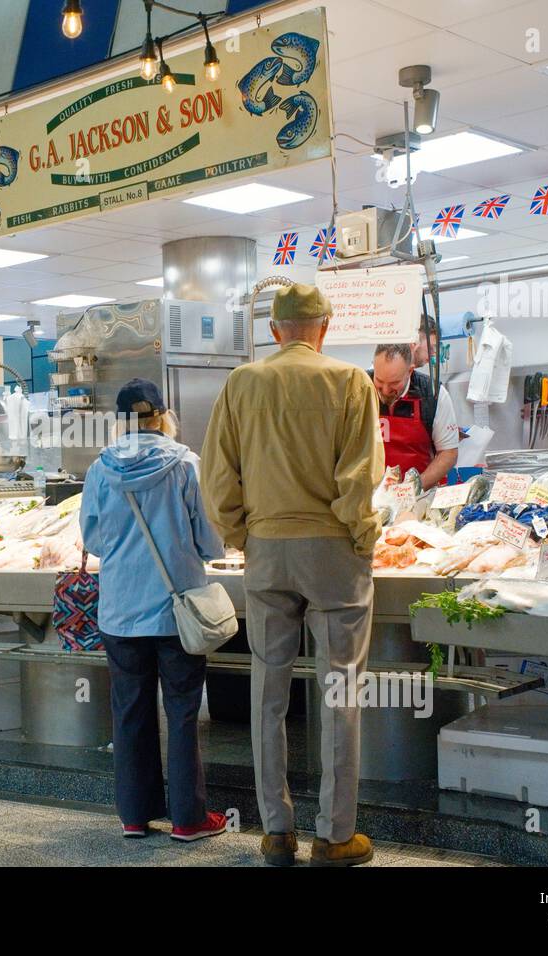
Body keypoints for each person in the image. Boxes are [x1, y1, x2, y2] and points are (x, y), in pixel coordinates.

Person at [201, 284, 383, 868]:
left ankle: (276, 831)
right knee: (339, 692)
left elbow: (217, 479)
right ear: (324, 326)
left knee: (267, 692)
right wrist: (360, 535)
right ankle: (335, 835)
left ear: (275, 330)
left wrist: (242, 535)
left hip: (267, 550)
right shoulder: (351, 381)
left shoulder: (241, 383)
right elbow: (360, 476)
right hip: (332, 552)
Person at [80, 378, 228, 843]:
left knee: (129, 712)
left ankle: (134, 815)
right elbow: (210, 540)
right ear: (164, 416)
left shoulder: (99, 470)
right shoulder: (186, 465)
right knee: (183, 712)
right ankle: (188, 819)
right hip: (175, 610)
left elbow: (94, 540)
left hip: (121, 610)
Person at [369, 342, 459, 490]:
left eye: (394, 383)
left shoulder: (433, 394)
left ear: (410, 371)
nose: (385, 391)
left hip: (419, 496)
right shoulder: (360, 388)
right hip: (369, 497)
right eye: (379, 381)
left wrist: (413, 488)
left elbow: (448, 452)